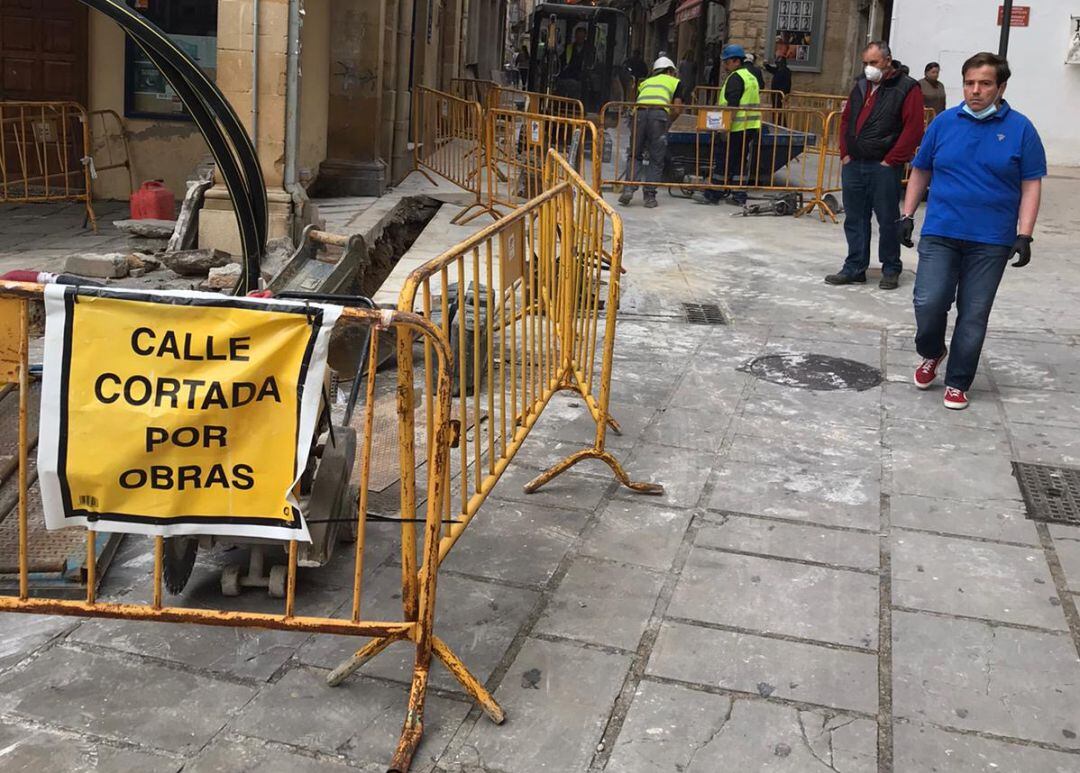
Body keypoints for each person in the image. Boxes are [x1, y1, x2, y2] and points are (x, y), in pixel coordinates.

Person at [900, 52, 1045, 411]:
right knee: (928, 301)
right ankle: (932, 352)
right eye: (969, 83)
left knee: (974, 311)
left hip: (991, 239)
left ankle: (958, 380)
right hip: (941, 231)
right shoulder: (944, 124)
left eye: (984, 84)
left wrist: (1024, 234)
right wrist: (906, 214)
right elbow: (921, 170)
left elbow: (1031, 184)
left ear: (1001, 87)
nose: (975, 91)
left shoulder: (1021, 129)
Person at [824, 41, 924, 290]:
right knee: (855, 218)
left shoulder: (907, 88)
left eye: (874, 63)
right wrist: (845, 153)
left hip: (883, 167)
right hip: (855, 163)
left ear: (888, 60)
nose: (869, 68)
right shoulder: (860, 85)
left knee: (887, 218)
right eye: (866, 63)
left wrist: (890, 160)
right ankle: (855, 266)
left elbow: (913, 128)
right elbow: (846, 120)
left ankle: (891, 267)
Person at [692, 44, 761, 206]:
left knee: (723, 159)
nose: (724, 65)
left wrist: (725, 128)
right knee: (740, 161)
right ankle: (739, 194)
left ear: (736, 61)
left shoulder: (736, 78)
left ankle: (714, 193)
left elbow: (733, 106)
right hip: (749, 127)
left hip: (735, 128)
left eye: (727, 62)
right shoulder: (750, 76)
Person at [617, 56, 686, 209]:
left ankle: (628, 189)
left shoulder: (645, 82)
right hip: (658, 116)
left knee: (634, 154)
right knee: (656, 157)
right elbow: (677, 108)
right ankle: (649, 196)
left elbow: (636, 100)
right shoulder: (675, 82)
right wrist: (668, 122)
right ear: (669, 71)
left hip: (639, 115)